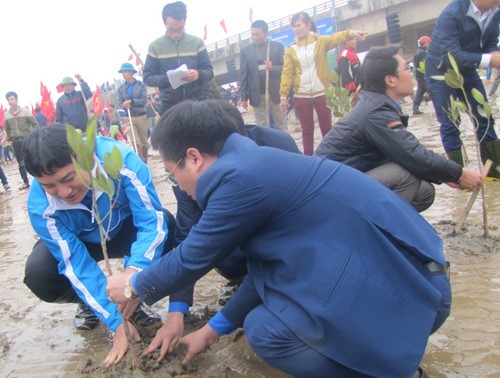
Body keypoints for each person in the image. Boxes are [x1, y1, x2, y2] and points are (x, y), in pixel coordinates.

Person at [107, 100, 451, 378]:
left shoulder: (239, 179)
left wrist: (133, 284)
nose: (177, 185)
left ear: (194, 158)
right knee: (269, 307)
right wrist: (210, 331)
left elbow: (193, 257)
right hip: (420, 280)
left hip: (415, 289)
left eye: (171, 173)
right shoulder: (253, 162)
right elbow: (265, 272)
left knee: (268, 333)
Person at [139, 99, 300, 360]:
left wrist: (134, 285)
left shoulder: (275, 147)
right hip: (239, 246)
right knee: (221, 252)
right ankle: (243, 281)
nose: (178, 184)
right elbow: (187, 240)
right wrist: (176, 311)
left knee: (263, 324)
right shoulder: (187, 175)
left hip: (291, 251)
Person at [22, 124, 176, 367]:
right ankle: (93, 304)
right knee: (39, 272)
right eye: (49, 186)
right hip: (82, 241)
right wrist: (117, 324)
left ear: (85, 157)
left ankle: (134, 300)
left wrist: (134, 277)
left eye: (68, 178)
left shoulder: (121, 162)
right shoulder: (41, 208)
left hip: (124, 227)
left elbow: (150, 221)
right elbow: (76, 263)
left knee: (168, 227)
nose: (63, 192)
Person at [315, 45, 483, 213]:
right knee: (406, 176)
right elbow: (413, 154)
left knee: (424, 192)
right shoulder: (377, 112)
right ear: (390, 80)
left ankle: (384, 227)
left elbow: (403, 152)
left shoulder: (376, 103)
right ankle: (377, 231)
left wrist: (444, 175)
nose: (411, 74)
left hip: (343, 184)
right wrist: (458, 174)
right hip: (330, 194)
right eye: (406, 69)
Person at [425, 0, 500, 178]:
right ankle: (457, 175)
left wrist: (494, 53)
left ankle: (494, 169)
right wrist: (490, 60)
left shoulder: (494, 11)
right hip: (441, 69)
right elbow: (451, 55)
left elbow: (490, 41)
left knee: (484, 116)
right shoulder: (450, 15)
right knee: (450, 121)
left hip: (468, 69)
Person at [279, 12, 367, 155]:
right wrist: (283, 95)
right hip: (301, 95)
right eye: (294, 27)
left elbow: (336, 38)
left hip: (322, 93)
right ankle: (308, 159)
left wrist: (352, 33)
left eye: (299, 25)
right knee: (307, 131)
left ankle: (331, 156)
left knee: (327, 129)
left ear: (308, 25)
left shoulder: (320, 42)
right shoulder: (290, 49)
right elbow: (287, 73)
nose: (296, 29)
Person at [143, 1, 214, 115]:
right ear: (164, 23)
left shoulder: (197, 43)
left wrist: (198, 74)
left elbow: (209, 72)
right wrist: (170, 79)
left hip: (198, 103)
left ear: (185, 22)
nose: (176, 34)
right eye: (171, 29)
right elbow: (148, 78)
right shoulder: (155, 47)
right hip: (171, 107)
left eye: (180, 29)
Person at [239, 20, 287, 131]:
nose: (254, 37)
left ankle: (285, 147)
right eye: (252, 34)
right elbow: (244, 75)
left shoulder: (277, 47)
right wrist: (243, 97)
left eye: (257, 34)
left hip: (276, 93)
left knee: (281, 125)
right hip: (257, 96)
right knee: (262, 128)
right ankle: (268, 148)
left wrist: (273, 67)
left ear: (266, 34)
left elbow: (286, 69)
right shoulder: (246, 51)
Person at [3, 91, 39, 190]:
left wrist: (34, 135)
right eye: (8, 100)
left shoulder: (25, 111)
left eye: (12, 99)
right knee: (21, 163)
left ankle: (39, 179)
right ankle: (25, 182)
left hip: (27, 139)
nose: (10, 101)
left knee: (33, 159)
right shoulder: (7, 115)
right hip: (16, 142)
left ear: (16, 99)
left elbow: (35, 124)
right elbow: (7, 129)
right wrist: (10, 139)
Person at [117, 62, 149, 163]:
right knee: (135, 142)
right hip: (129, 117)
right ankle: (140, 162)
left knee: (144, 141)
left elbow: (144, 100)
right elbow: (120, 102)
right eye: (122, 72)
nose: (124, 74)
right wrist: (124, 105)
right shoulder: (121, 88)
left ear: (131, 72)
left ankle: (145, 160)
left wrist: (132, 101)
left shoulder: (141, 85)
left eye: (125, 71)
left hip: (141, 116)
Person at [413, 35, 432, 115]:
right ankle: (443, 107)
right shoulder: (422, 53)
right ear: (425, 43)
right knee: (432, 91)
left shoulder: (418, 52)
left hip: (419, 76)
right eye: (428, 43)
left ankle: (415, 108)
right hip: (423, 76)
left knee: (420, 93)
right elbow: (424, 65)